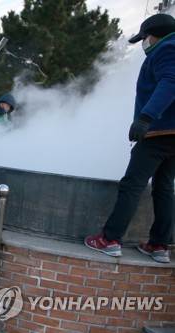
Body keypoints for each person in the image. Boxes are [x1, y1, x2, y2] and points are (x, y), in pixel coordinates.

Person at [85, 13, 175, 264]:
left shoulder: (168, 48)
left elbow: (170, 82)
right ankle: (159, 245)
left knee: (132, 185)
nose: (144, 42)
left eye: (145, 37)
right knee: (165, 188)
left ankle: (110, 239)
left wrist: (146, 116)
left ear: (154, 34)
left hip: (158, 132)